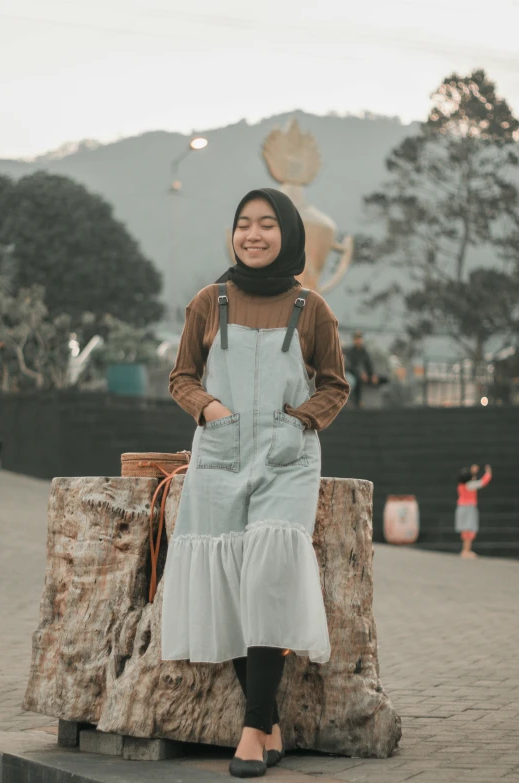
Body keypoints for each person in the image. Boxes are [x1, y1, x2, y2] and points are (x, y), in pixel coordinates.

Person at [162, 188, 350, 778]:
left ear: (287, 235)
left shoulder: (310, 306)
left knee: (267, 577)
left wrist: (301, 423)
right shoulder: (208, 301)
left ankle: (251, 729)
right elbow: (181, 377)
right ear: (233, 234)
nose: (254, 234)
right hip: (219, 455)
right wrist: (210, 410)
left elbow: (334, 386)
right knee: (228, 582)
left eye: (267, 225)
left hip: (287, 460)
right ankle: (267, 724)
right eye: (244, 224)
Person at [455, 464, 492, 558]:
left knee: (465, 530)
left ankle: (465, 550)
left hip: (461, 507)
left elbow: (470, 478)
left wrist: (473, 471)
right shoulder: (470, 485)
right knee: (469, 529)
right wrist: (488, 473)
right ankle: (466, 550)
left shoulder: (461, 485)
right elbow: (483, 482)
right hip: (469, 508)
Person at [344, 331, 378, 408]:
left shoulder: (364, 351)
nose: (358, 341)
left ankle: (369, 402)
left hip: (361, 373)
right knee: (356, 379)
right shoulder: (351, 351)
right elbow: (351, 366)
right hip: (350, 373)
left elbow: (368, 364)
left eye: (359, 339)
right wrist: (361, 373)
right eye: (356, 339)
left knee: (377, 380)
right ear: (354, 340)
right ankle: (357, 401)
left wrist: (372, 374)